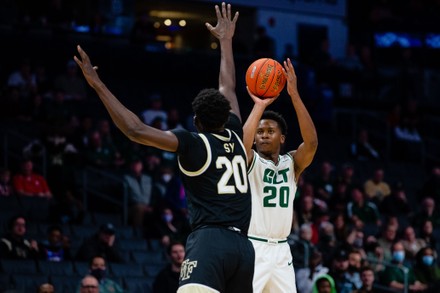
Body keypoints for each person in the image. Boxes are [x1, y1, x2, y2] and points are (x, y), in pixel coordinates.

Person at [74, 3, 255, 292]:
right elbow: (228, 87)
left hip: (210, 242)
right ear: (225, 117)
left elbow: (134, 130)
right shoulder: (235, 133)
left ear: (196, 121)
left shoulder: (193, 142)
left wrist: (98, 87)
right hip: (244, 249)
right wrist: (225, 41)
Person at [242, 57, 318, 292]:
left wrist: (294, 94)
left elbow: (312, 142)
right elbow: (240, 146)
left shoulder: (292, 163)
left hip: (282, 250)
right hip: (253, 245)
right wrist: (259, 105)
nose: (263, 135)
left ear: (282, 138)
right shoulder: (251, 160)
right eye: (260, 132)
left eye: (270, 131)